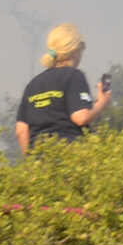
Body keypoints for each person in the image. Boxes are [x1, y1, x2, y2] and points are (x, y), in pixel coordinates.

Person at [16, 23, 109, 152]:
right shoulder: (73, 76)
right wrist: (101, 102)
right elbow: (81, 117)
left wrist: (31, 163)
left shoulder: (33, 85)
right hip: (70, 159)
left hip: (39, 163)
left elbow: (21, 130)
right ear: (75, 51)